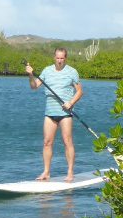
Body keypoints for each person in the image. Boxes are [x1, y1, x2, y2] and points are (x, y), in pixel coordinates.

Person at [26, 47, 83, 181]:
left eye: (62, 58)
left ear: (65, 58)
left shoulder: (72, 72)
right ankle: (46, 172)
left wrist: (71, 103)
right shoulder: (47, 71)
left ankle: (70, 172)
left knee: (67, 141)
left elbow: (80, 92)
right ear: (54, 57)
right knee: (47, 142)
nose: (59, 61)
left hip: (65, 113)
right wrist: (30, 75)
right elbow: (34, 87)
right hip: (50, 113)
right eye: (57, 58)